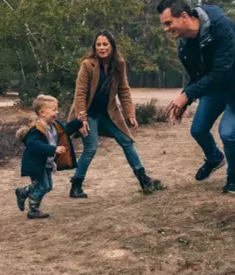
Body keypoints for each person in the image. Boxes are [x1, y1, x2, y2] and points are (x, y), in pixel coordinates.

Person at [156, 0, 235, 194]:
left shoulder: (222, 27)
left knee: (227, 133)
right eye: (164, 24)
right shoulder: (185, 45)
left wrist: (186, 96)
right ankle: (214, 158)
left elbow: (222, 72)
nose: (166, 28)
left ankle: (234, 177)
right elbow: (197, 76)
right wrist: (183, 101)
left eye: (169, 23)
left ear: (185, 17)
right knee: (198, 130)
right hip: (216, 88)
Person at [67, 31, 163, 199]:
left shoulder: (119, 64)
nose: (102, 48)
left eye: (105, 44)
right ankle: (76, 186)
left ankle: (144, 180)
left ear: (112, 46)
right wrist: (80, 119)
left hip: (108, 113)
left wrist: (130, 113)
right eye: (99, 45)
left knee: (127, 141)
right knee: (91, 147)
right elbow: (80, 94)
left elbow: (123, 90)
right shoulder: (88, 65)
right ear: (94, 47)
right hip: (88, 114)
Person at [15, 94, 85, 220]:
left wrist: (77, 122)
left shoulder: (54, 125)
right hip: (36, 164)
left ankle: (24, 191)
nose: (56, 112)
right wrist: (53, 149)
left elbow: (65, 130)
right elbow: (34, 144)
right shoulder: (36, 129)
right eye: (54, 110)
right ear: (42, 113)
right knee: (44, 186)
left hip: (47, 163)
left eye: (56, 109)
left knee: (46, 186)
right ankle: (33, 210)